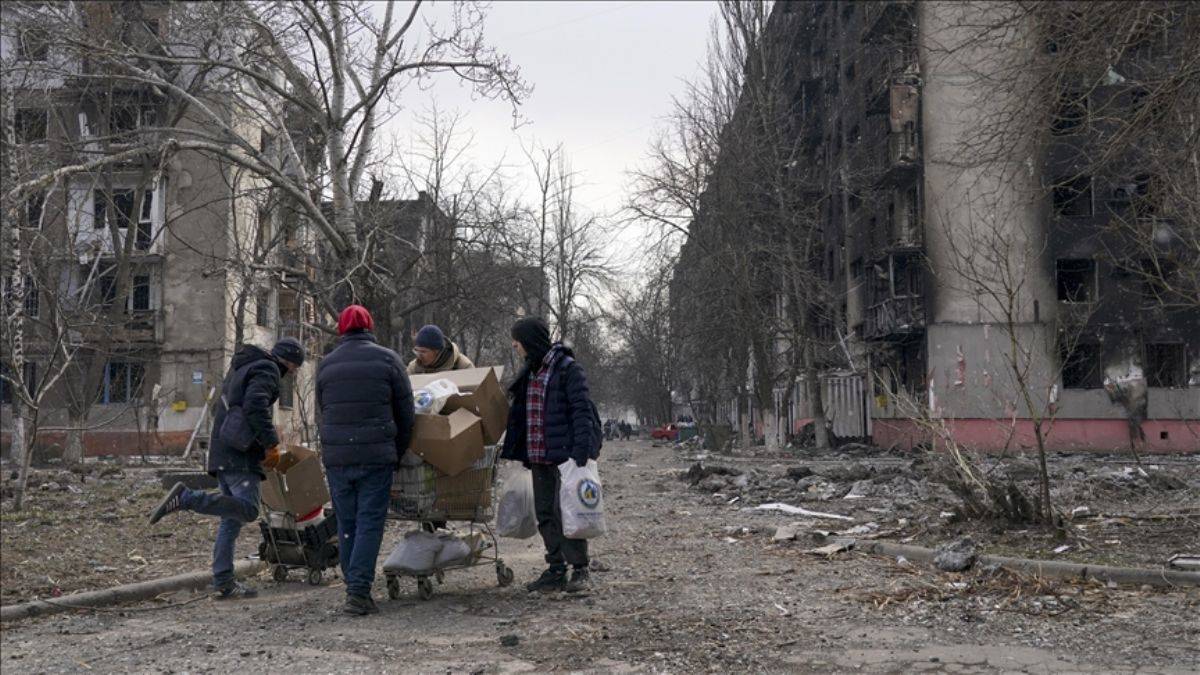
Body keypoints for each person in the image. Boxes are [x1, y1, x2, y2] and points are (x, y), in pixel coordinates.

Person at [149, 337, 306, 599]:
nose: (293, 373)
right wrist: (271, 445)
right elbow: (256, 405)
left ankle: (223, 580)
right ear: (289, 362)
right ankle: (186, 498)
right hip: (240, 454)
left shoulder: (242, 367)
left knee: (230, 520)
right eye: (294, 368)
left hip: (224, 448)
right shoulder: (267, 370)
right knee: (248, 510)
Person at [318, 304, 414, 616]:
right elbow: (406, 413)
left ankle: (353, 585)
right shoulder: (388, 359)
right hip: (376, 455)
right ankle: (358, 592)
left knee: (347, 522)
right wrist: (396, 451)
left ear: (341, 329)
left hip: (337, 456)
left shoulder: (326, 364)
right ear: (369, 326)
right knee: (370, 521)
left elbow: (324, 408)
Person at [501, 317, 599, 594]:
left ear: (529, 341)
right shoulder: (529, 372)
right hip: (538, 455)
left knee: (568, 512)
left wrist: (582, 451)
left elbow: (582, 411)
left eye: (517, 340)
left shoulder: (567, 370)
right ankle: (556, 567)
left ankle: (580, 569)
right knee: (545, 513)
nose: (514, 345)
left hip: (565, 457)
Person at [406, 324, 475, 374]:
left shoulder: (463, 366)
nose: (419, 356)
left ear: (437, 351)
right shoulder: (413, 368)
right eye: (417, 351)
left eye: (423, 352)